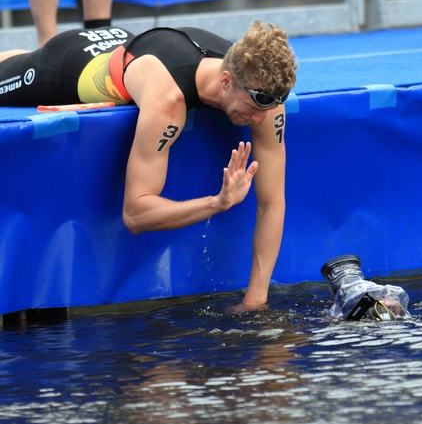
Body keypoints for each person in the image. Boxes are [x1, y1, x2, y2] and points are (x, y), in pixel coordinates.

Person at [0, 22, 298, 312]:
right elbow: (135, 213)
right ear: (225, 82)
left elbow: (272, 204)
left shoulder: (267, 100)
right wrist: (216, 203)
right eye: (254, 109)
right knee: (12, 68)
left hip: (131, 43)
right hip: (79, 61)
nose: (261, 120)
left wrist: (254, 303)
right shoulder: (167, 101)